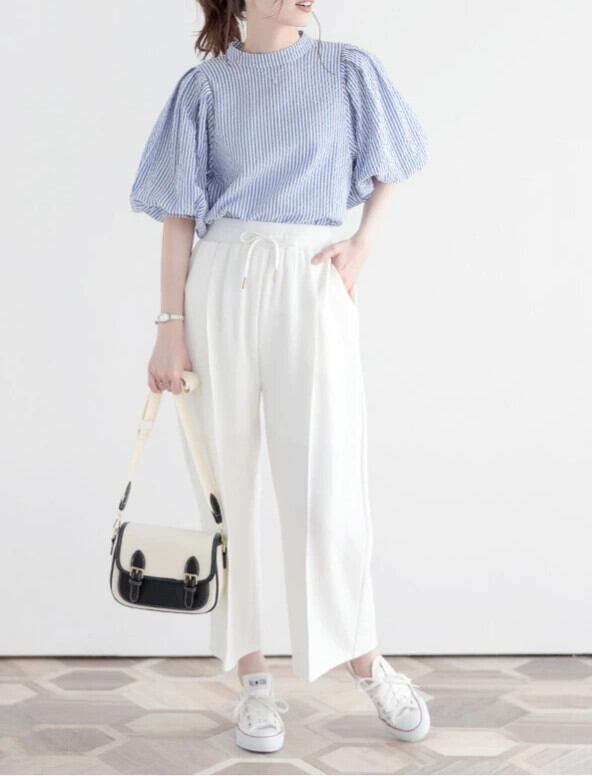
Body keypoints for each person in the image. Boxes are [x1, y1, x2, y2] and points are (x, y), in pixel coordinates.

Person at [129, 0, 430, 753]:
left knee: (329, 485)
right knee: (223, 491)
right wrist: (169, 327)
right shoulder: (205, 88)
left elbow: (394, 161)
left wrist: (362, 244)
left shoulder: (346, 70)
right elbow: (178, 217)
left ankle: (365, 660)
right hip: (220, 281)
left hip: (312, 277)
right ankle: (254, 680)